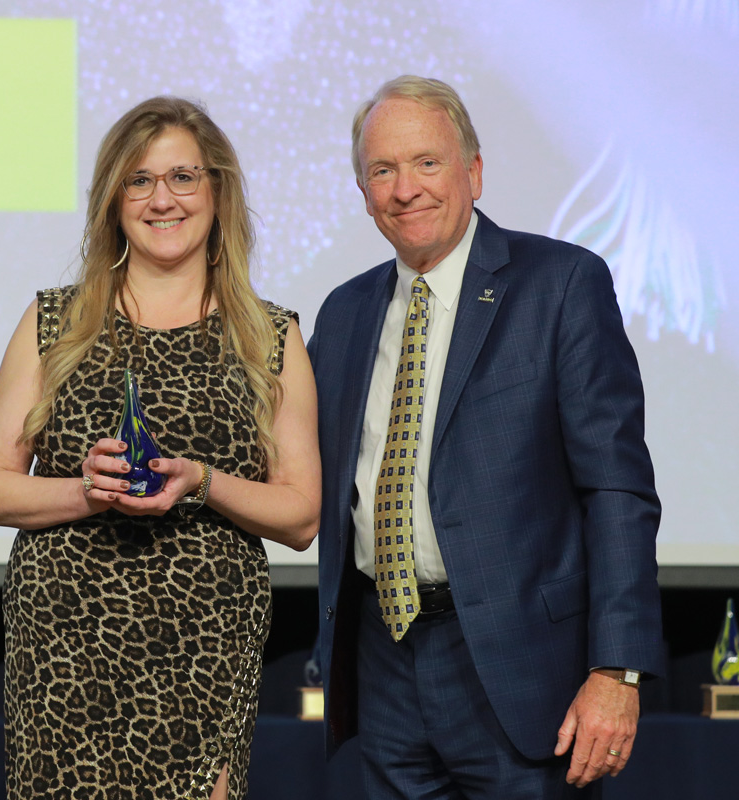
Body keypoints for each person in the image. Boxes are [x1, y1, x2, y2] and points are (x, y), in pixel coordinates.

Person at [309, 75, 662, 799]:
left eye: (426, 163)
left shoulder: (561, 284)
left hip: (523, 673)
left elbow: (617, 490)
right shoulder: (343, 314)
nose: (405, 189)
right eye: (382, 170)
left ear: (473, 170)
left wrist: (616, 669)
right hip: (384, 667)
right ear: (363, 189)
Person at [0, 96, 321, 799]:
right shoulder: (53, 321)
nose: (163, 199)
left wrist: (201, 480)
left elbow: (301, 515)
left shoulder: (270, 337)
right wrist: (85, 490)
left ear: (218, 191)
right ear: (113, 199)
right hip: (63, 657)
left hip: (203, 658)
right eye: (140, 180)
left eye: (184, 177)